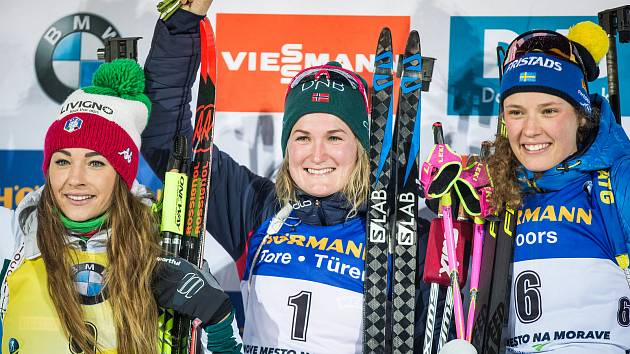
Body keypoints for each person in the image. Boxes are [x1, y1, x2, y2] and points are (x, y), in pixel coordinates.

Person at [141, 1, 445, 353]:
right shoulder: (258, 208)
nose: (317, 155)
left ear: (361, 147)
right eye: (302, 137)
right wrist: (182, 23)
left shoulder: (400, 235)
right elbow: (165, 140)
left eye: (335, 137)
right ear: (287, 147)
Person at [0, 59, 241, 353]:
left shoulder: (162, 246)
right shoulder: (13, 236)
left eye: (95, 163)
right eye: (62, 161)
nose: (75, 179)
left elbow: (221, 344)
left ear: (121, 176)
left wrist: (218, 318)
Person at [483, 22, 630, 353]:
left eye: (548, 111)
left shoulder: (618, 179)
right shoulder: (495, 191)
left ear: (580, 115)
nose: (530, 130)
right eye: (516, 113)